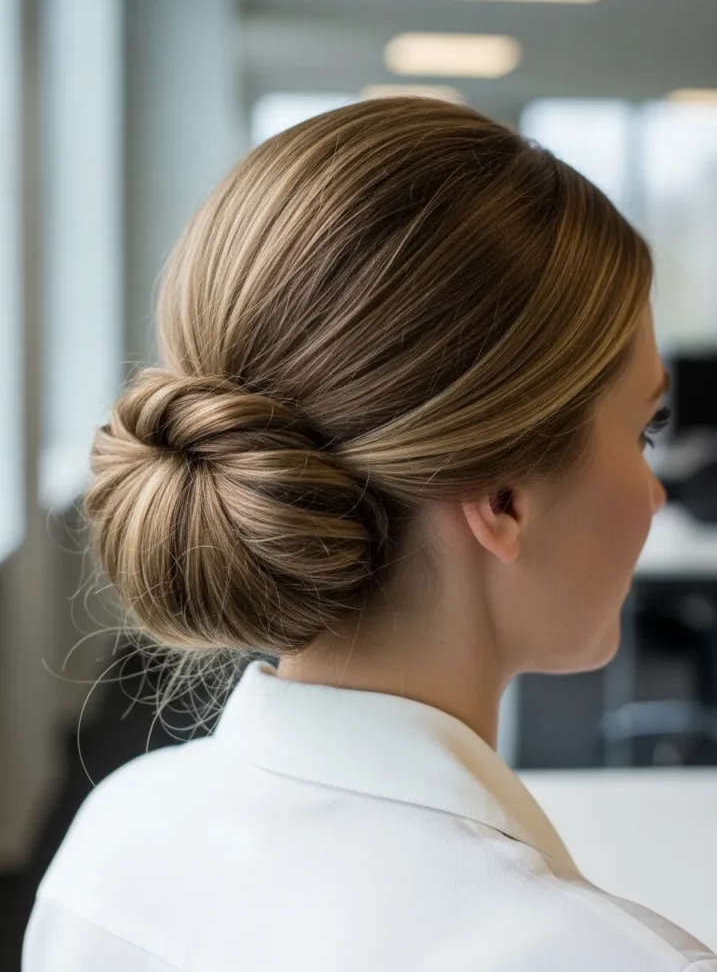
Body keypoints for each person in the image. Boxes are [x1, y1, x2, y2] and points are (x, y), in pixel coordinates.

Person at [22, 97, 717, 971]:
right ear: (503, 497)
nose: (653, 492)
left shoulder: (113, 839)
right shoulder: (606, 957)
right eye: (643, 431)